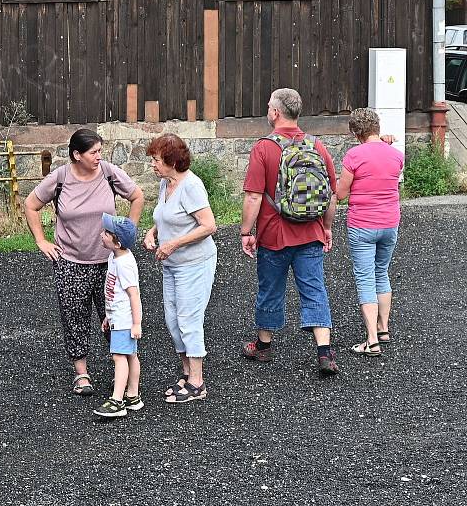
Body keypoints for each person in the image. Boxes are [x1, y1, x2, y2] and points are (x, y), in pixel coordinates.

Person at [24, 128, 144, 395]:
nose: (99, 156)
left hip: (108, 262)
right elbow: (30, 205)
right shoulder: (60, 178)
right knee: (74, 317)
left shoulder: (109, 173)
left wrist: (127, 233)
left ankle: (121, 373)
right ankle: (82, 374)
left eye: (100, 151)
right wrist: (41, 241)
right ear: (76, 155)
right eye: (94, 152)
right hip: (70, 262)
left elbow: (137, 196)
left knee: (116, 317)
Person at [239, 88, 340, 375]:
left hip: (274, 235)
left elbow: (253, 196)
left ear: (276, 113)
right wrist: (328, 228)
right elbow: (331, 194)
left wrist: (247, 231)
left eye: (270, 106)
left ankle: (263, 346)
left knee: (270, 288)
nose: (268, 110)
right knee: (314, 288)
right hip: (311, 232)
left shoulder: (264, 148)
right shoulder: (317, 145)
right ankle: (324, 352)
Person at [143, 134, 217, 403]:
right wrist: (153, 232)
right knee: (173, 322)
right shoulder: (166, 183)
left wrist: (172, 244)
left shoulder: (191, 186)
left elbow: (209, 226)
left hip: (195, 264)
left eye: (156, 160)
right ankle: (186, 375)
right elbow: (166, 215)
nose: (152, 164)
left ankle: (198, 383)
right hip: (171, 265)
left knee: (188, 320)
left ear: (172, 161)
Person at [336, 108, 404, 356]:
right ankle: (383, 329)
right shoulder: (396, 155)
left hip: (363, 224)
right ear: (377, 126)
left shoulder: (353, 156)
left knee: (365, 277)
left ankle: (371, 340)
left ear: (356, 132)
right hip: (390, 222)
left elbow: (341, 194)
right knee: (381, 272)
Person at [93, 213, 143, 418]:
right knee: (130, 354)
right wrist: (108, 316)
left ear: (117, 242)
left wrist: (136, 323)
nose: (102, 235)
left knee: (119, 356)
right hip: (118, 317)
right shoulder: (114, 257)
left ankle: (117, 400)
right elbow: (114, 294)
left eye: (107, 233)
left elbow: (134, 295)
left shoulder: (125, 264)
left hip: (125, 319)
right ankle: (132, 396)